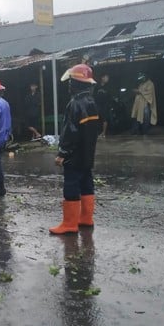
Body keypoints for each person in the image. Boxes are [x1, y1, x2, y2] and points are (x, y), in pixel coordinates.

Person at [50, 64, 99, 235]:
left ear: (77, 83)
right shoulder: (92, 102)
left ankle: (69, 224)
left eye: (71, 81)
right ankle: (86, 218)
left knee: (71, 186)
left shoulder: (75, 103)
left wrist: (62, 153)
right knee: (86, 183)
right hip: (87, 154)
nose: (69, 85)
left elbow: (70, 132)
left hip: (74, 156)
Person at [93, 73, 112, 138]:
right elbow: (93, 95)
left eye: (108, 78)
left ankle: (103, 133)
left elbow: (110, 97)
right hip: (97, 105)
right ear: (102, 78)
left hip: (105, 105)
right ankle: (96, 132)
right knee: (96, 119)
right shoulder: (97, 86)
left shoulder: (108, 87)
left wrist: (108, 105)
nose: (107, 79)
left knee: (104, 119)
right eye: (106, 77)